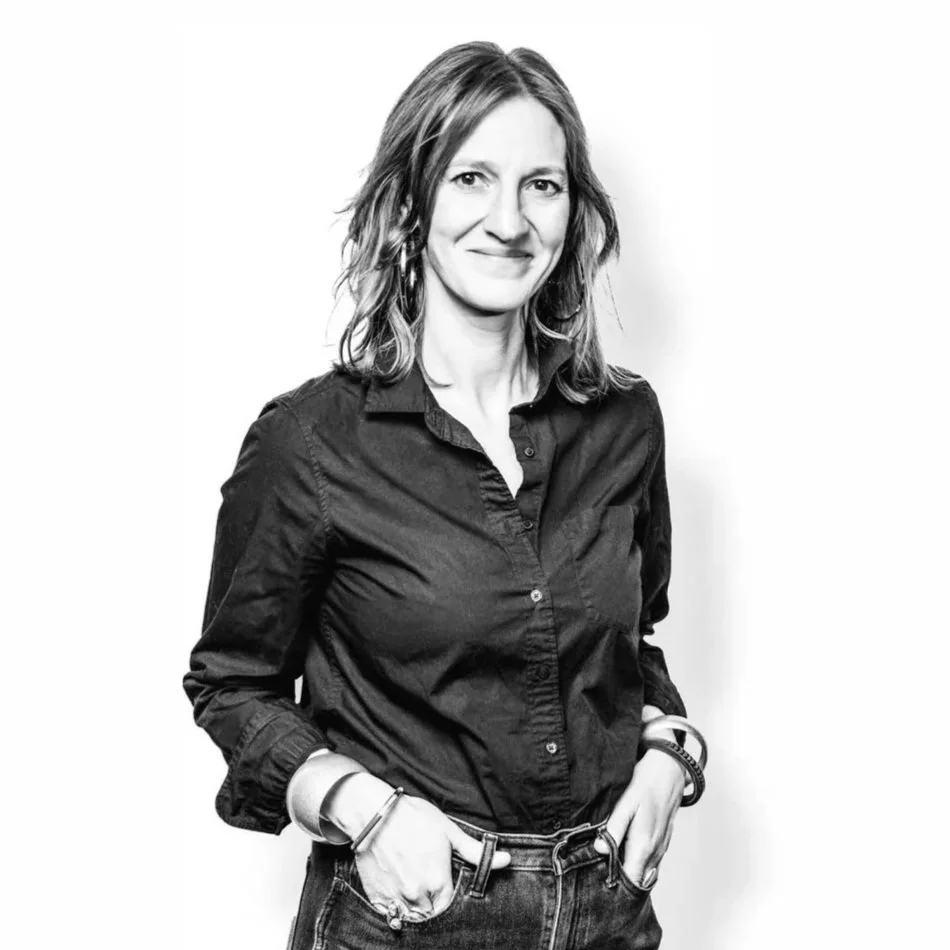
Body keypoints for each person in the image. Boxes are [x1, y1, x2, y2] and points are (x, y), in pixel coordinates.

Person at [183, 40, 707, 950]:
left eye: (541, 185)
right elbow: (231, 687)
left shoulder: (626, 423)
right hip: (407, 914)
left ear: (573, 213)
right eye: (472, 178)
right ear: (409, 204)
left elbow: (629, 643)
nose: (509, 219)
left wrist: (671, 758)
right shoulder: (312, 443)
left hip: (605, 912)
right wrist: (365, 813)